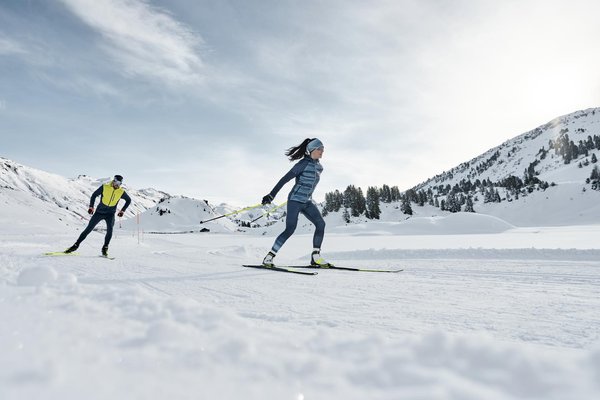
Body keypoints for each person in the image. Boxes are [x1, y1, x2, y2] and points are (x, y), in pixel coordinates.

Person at [261, 138, 331, 267]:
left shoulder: (319, 167)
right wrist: (271, 195)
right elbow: (284, 179)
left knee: (321, 224)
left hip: (307, 202)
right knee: (290, 229)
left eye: (323, 149)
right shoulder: (302, 164)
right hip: (295, 200)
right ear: (311, 150)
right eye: (319, 149)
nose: (322, 151)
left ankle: (316, 256)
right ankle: (269, 257)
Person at [64, 175, 131, 256]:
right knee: (88, 229)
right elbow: (94, 195)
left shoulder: (121, 191)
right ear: (114, 181)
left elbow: (128, 200)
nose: (118, 185)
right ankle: (75, 245)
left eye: (120, 183)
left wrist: (123, 210)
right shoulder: (105, 187)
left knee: (110, 230)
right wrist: (91, 207)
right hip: (99, 212)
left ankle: (105, 248)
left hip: (110, 214)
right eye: (117, 182)